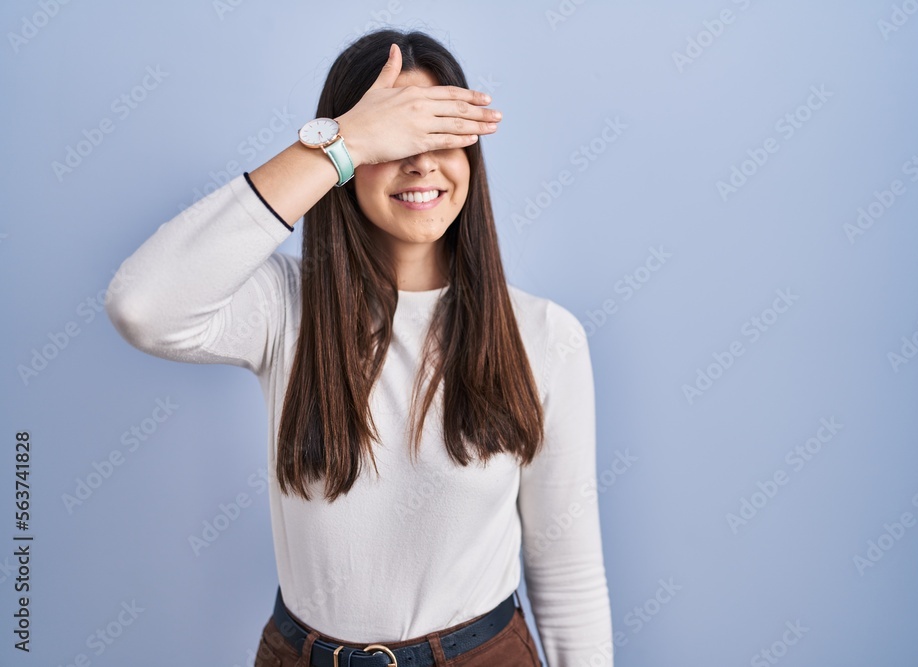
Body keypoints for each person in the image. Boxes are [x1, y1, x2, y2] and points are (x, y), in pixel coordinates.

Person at [105, 28, 613, 667]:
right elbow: (142, 306)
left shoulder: (545, 337)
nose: (422, 162)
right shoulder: (284, 308)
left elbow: (567, 573)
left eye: (440, 136)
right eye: (396, 139)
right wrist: (337, 144)